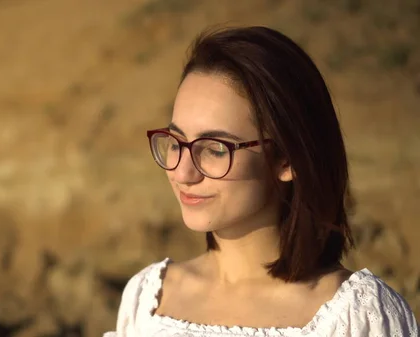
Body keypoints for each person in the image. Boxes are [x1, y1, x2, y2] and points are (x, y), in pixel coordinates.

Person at [103, 26, 419, 337]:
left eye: (214, 149)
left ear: (287, 158)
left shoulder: (358, 318)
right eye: (175, 141)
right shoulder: (146, 301)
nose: (183, 173)